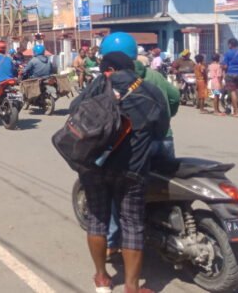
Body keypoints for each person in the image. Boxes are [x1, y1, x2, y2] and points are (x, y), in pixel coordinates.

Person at [72, 32, 169, 293]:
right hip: (133, 171)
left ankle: (102, 278)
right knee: (133, 226)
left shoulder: (96, 88)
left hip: (95, 168)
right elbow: (160, 132)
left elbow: (73, 115)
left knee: (97, 221)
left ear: (108, 70)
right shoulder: (151, 90)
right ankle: (131, 287)